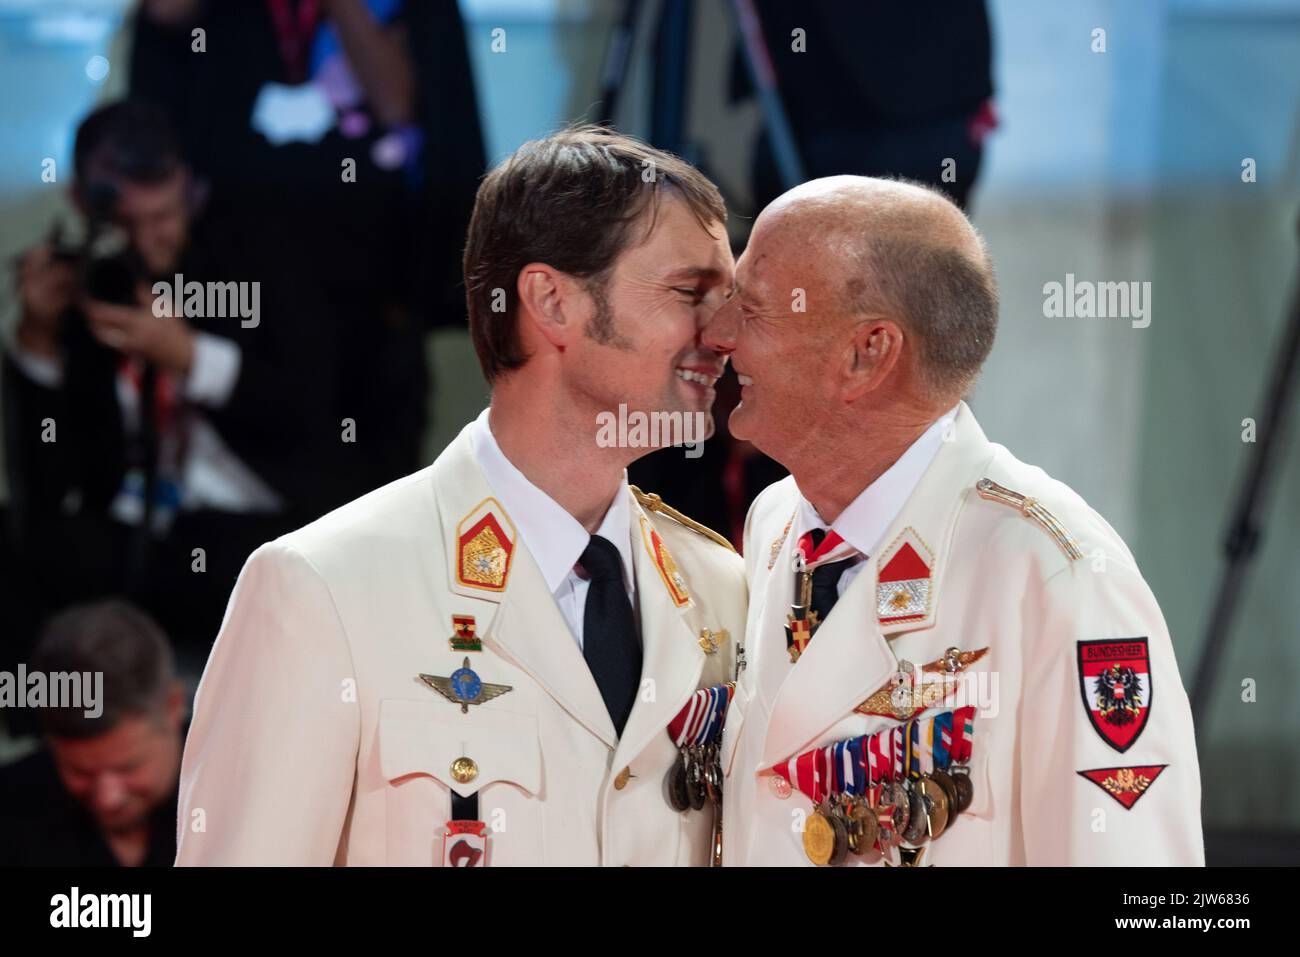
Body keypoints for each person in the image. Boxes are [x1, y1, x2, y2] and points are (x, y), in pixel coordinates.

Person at [176, 127, 746, 866]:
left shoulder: (719, 585)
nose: (727, 331)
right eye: (690, 292)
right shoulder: (323, 587)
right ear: (551, 301)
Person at [706, 176, 1204, 866]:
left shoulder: (1060, 574)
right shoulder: (773, 522)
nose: (718, 332)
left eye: (753, 309)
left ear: (868, 353)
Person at [2, 100, 354, 667]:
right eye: (125, 224)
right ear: (81, 202)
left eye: (161, 218)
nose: (146, 243)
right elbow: (43, 489)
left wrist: (188, 357)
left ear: (187, 188)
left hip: (249, 516)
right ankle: (61, 741)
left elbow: (311, 406)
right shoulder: (93, 277)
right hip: (134, 521)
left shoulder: (258, 254)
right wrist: (37, 342)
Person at [0, 600, 186, 867]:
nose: (109, 799)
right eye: (80, 772)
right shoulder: (10, 810)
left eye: (128, 768)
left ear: (173, 707)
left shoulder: (245, 791)